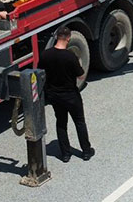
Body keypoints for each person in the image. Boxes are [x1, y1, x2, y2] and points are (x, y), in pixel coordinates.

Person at [39, 26, 93, 163]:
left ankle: (65, 154)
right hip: (71, 95)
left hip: (55, 96)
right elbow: (81, 76)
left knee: (61, 123)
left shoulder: (46, 54)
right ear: (68, 38)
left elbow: (40, 72)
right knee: (79, 122)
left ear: (57, 37)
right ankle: (86, 151)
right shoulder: (70, 56)